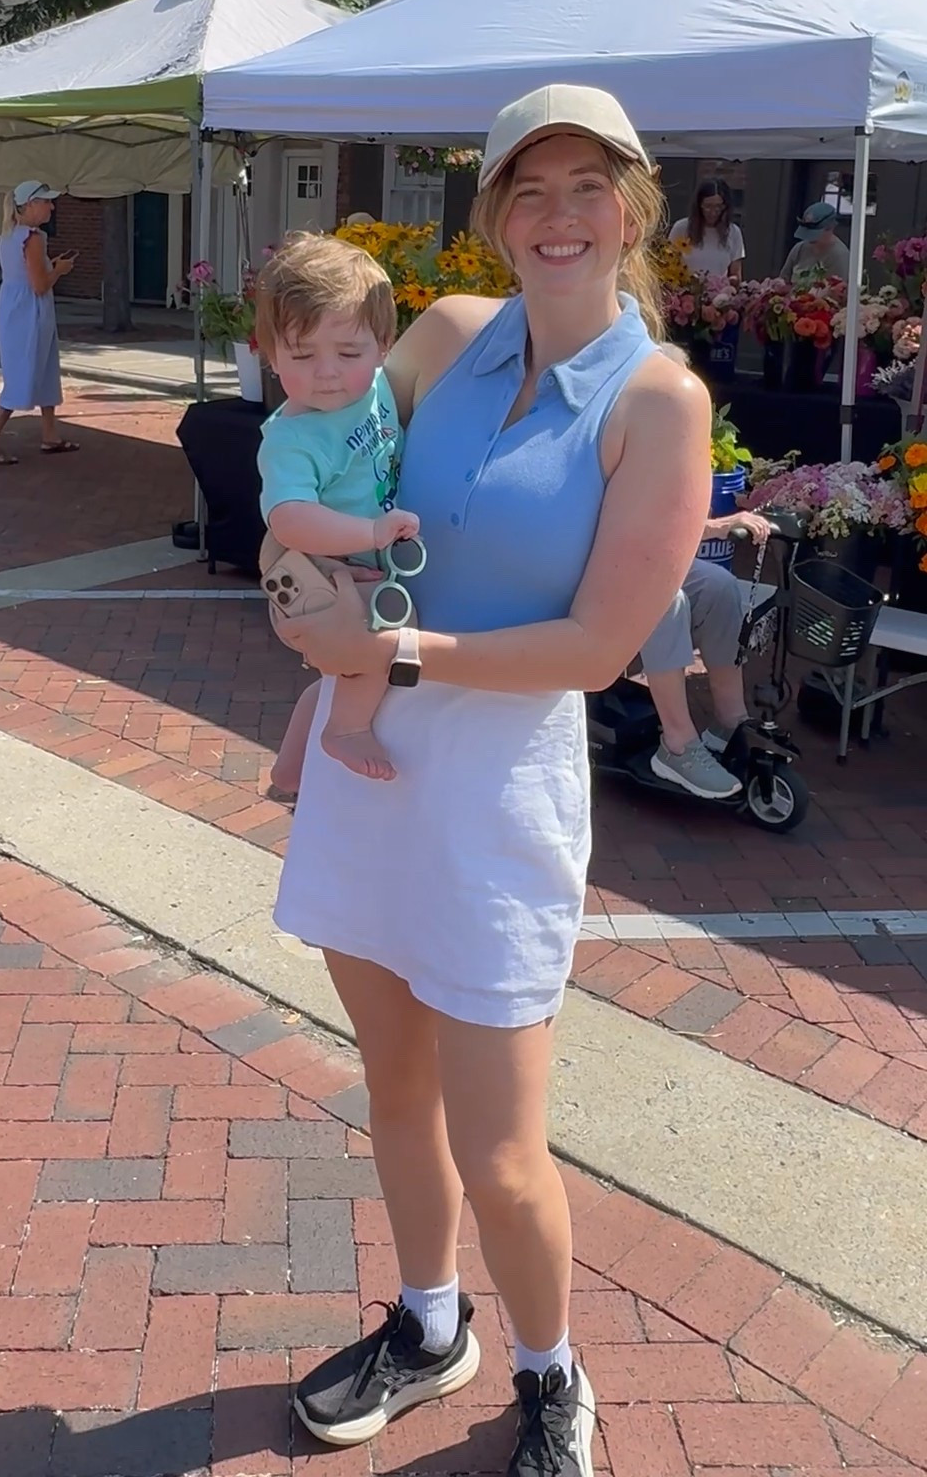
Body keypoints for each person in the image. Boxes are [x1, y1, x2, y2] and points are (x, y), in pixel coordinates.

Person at [265, 85, 712, 1477]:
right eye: (529, 190)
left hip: (497, 782)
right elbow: (335, 484)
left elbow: (595, 651)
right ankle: (429, 1322)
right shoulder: (447, 337)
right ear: (493, 220)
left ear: (630, 210)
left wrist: (385, 652)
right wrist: (298, 615)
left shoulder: (659, 400)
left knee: (503, 1146)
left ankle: (548, 1370)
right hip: (369, 758)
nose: (558, 215)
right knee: (392, 1088)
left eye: (588, 188)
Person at [256, 233, 420, 785]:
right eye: (301, 355)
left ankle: (291, 766)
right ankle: (344, 730)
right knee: (382, 638)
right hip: (312, 564)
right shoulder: (294, 438)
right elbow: (288, 518)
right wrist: (371, 529)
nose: (326, 372)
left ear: (383, 347)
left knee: (340, 668)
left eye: (348, 353)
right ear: (270, 353)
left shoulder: (373, 390)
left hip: (350, 556)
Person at [643, 514, 773, 799]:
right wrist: (715, 527)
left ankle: (730, 720)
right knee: (665, 598)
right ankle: (677, 745)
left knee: (719, 586)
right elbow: (628, 527)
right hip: (588, 570)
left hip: (637, 558)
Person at [0, 181, 79, 464]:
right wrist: (58, 270)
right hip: (29, 310)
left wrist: (49, 266)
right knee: (25, 369)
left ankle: (50, 434)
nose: (52, 206)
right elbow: (40, 285)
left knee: (44, 366)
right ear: (31, 204)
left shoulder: (10, 234)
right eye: (46, 201)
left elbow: (27, 273)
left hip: (14, 305)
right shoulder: (32, 237)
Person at [670, 177, 745, 282]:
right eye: (708, 206)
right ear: (699, 205)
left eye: (719, 207)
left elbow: (736, 274)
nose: (713, 212)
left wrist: (730, 283)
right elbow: (668, 265)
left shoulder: (733, 232)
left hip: (718, 295)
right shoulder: (681, 228)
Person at [780, 201, 850, 284]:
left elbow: (837, 292)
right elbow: (784, 280)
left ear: (830, 228)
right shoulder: (799, 249)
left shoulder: (840, 256)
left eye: (814, 233)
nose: (809, 237)